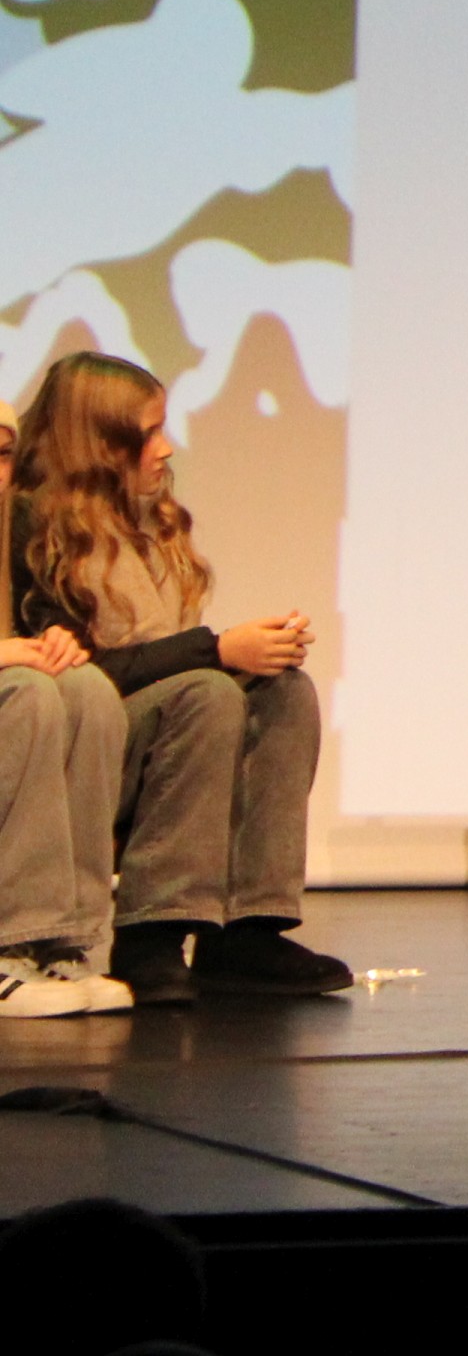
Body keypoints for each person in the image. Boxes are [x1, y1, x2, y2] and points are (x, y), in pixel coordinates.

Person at [10, 351, 349, 1004]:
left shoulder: (144, 520)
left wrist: (241, 653)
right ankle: (152, 935)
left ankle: (247, 930)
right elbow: (78, 671)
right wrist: (216, 649)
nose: (165, 449)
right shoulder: (35, 526)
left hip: (150, 730)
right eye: (148, 434)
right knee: (206, 692)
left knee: (283, 692)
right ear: (100, 444)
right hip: (80, 743)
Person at [0, 406, 131, 1020]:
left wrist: (58, 638)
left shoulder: (17, 521)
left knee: (89, 691)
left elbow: (45, 612)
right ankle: (13, 942)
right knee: (28, 693)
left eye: (3, 455)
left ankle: (70, 941)